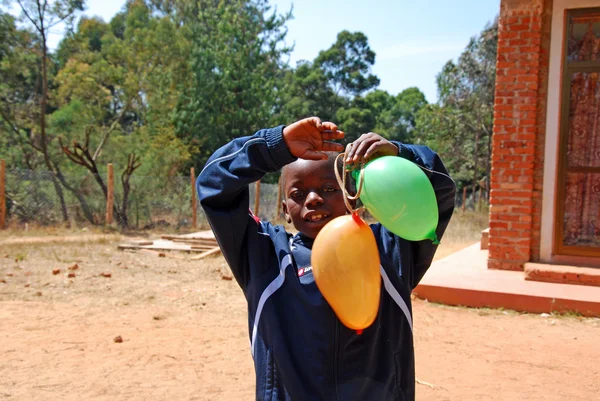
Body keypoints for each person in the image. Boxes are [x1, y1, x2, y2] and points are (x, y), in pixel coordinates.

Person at [197, 117, 456, 401]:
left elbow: (439, 190)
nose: (313, 199)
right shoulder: (266, 255)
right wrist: (275, 146)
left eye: (329, 189)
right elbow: (213, 183)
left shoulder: (389, 249)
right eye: (298, 193)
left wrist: (400, 155)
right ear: (285, 209)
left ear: (352, 197)